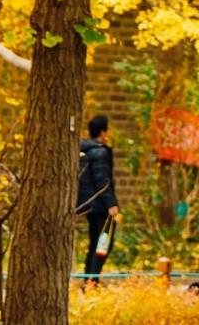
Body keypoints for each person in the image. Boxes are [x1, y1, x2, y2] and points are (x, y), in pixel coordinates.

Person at [76, 114, 119, 282]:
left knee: (95, 242)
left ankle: (90, 278)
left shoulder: (85, 151)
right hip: (101, 206)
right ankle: (92, 280)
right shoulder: (100, 153)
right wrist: (111, 204)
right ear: (103, 131)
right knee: (103, 243)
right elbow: (102, 180)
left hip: (90, 205)